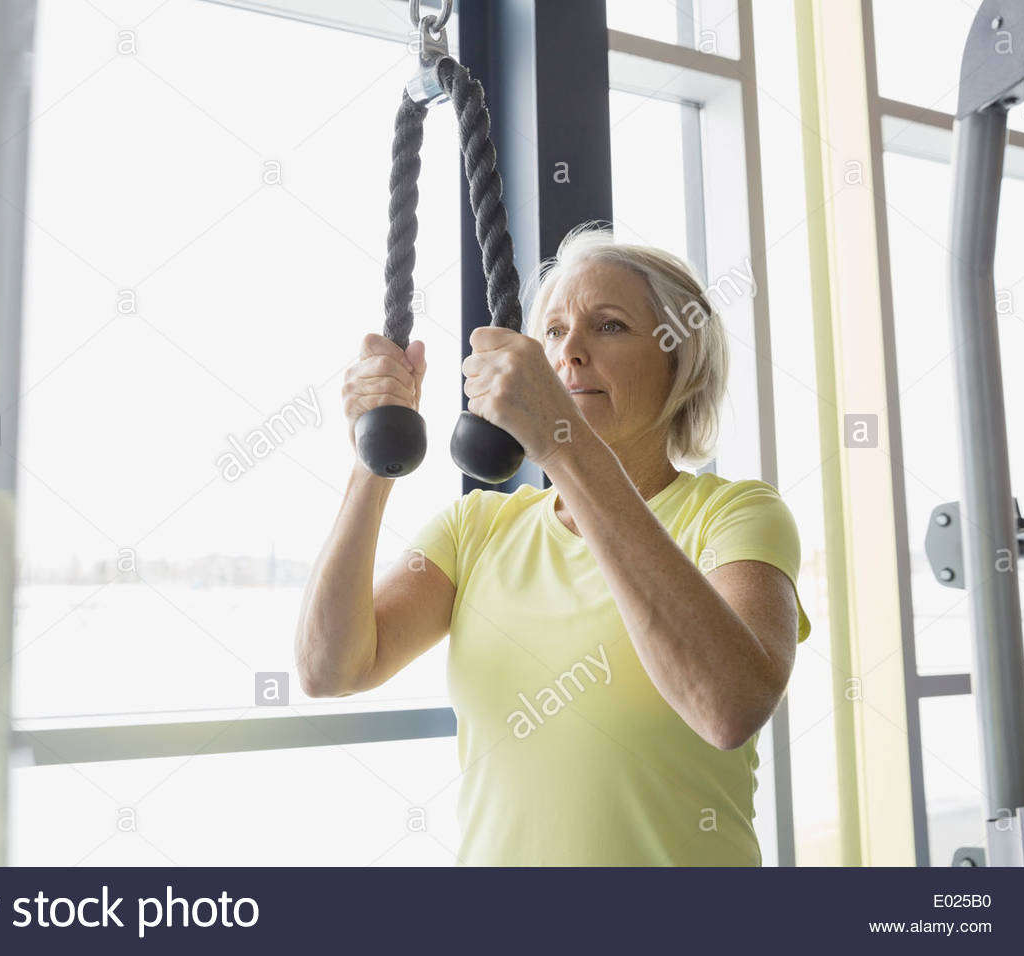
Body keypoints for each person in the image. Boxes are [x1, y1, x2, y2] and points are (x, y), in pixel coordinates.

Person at [295, 220, 811, 865]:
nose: (568, 354)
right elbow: (329, 669)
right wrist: (372, 461)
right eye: (555, 332)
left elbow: (728, 707)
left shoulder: (735, 515)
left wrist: (562, 440)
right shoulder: (476, 527)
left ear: (682, 360)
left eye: (610, 325)